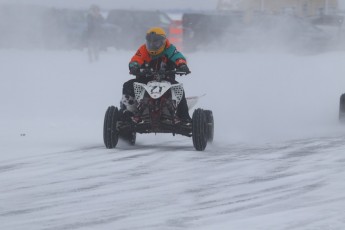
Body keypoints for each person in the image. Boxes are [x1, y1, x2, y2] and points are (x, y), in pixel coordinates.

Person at [121, 27, 191, 124]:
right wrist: (134, 66)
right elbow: (136, 59)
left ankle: (184, 117)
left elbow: (178, 57)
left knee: (178, 89)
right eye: (150, 42)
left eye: (156, 42)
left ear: (163, 42)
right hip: (145, 79)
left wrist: (182, 65)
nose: (152, 45)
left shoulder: (169, 48)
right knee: (127, 86)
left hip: (166, 79)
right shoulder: (143, 49)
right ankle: (128, 112)